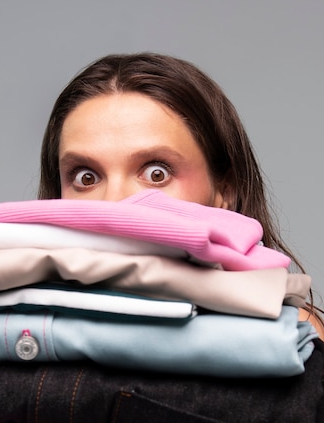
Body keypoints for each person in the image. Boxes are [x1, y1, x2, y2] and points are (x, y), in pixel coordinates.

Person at [38, 51, 324, 337]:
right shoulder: (15, 324)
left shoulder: (292, 336)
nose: (115, 205)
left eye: (156, 174)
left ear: (224, 191)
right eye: (86, 178)